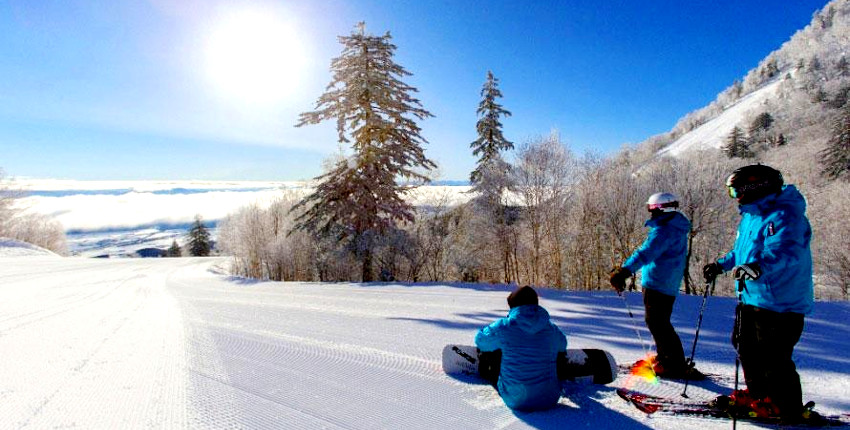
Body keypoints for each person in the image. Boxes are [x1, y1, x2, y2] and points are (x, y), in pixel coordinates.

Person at [702, 164, 813, 421]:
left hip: (780, 301)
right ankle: (760, 396)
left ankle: (786, 407)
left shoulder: (786, 215)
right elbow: (743, 253)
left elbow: (787, 252)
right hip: (752, 295)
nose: (734, 196)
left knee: (774, 357)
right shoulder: (752, 215)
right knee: (745, 346)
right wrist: (722, 264)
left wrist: (757, 268)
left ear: (755, 187)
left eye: (735, 190)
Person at [609, 192, 704, 380]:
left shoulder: (664, 230)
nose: (651, 213)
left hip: (658, 282)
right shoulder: (675, 225)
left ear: (662, 209)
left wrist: (625, 271)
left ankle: (672, 363)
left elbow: (645, 253)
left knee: (657, 322)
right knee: (659, 322)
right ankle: (666, 358)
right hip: (667, 281)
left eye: (652, 209)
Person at [474, 285, 567, 411]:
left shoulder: (504, 327)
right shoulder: (551, 328)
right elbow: (563, 345)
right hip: (549, 399)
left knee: (496, 349)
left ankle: (486, 368)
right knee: (554, 351)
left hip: (515, 399)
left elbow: (480, 341)